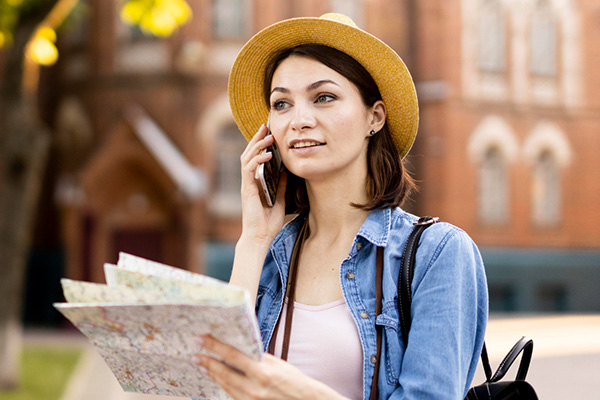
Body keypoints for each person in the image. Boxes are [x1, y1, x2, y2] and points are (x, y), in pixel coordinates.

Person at [193, 13, 488, 400]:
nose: (299, 120)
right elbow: (210, 391)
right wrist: (253, 239)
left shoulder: (437, 254)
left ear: (374, 117)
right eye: (281, 104)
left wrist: (298, 393)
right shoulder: (266, 259)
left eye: (324, 97)